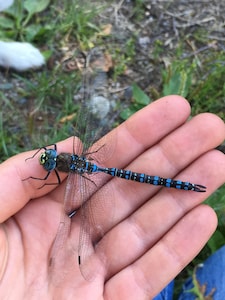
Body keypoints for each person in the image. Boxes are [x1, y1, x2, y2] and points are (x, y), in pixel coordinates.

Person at [0, 95, 224, 299]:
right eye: (48, 158)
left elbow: (50, 179)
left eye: (48, 157)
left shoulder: (62, 177)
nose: (47, 157)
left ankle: (183, 185)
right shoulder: (71, 159)